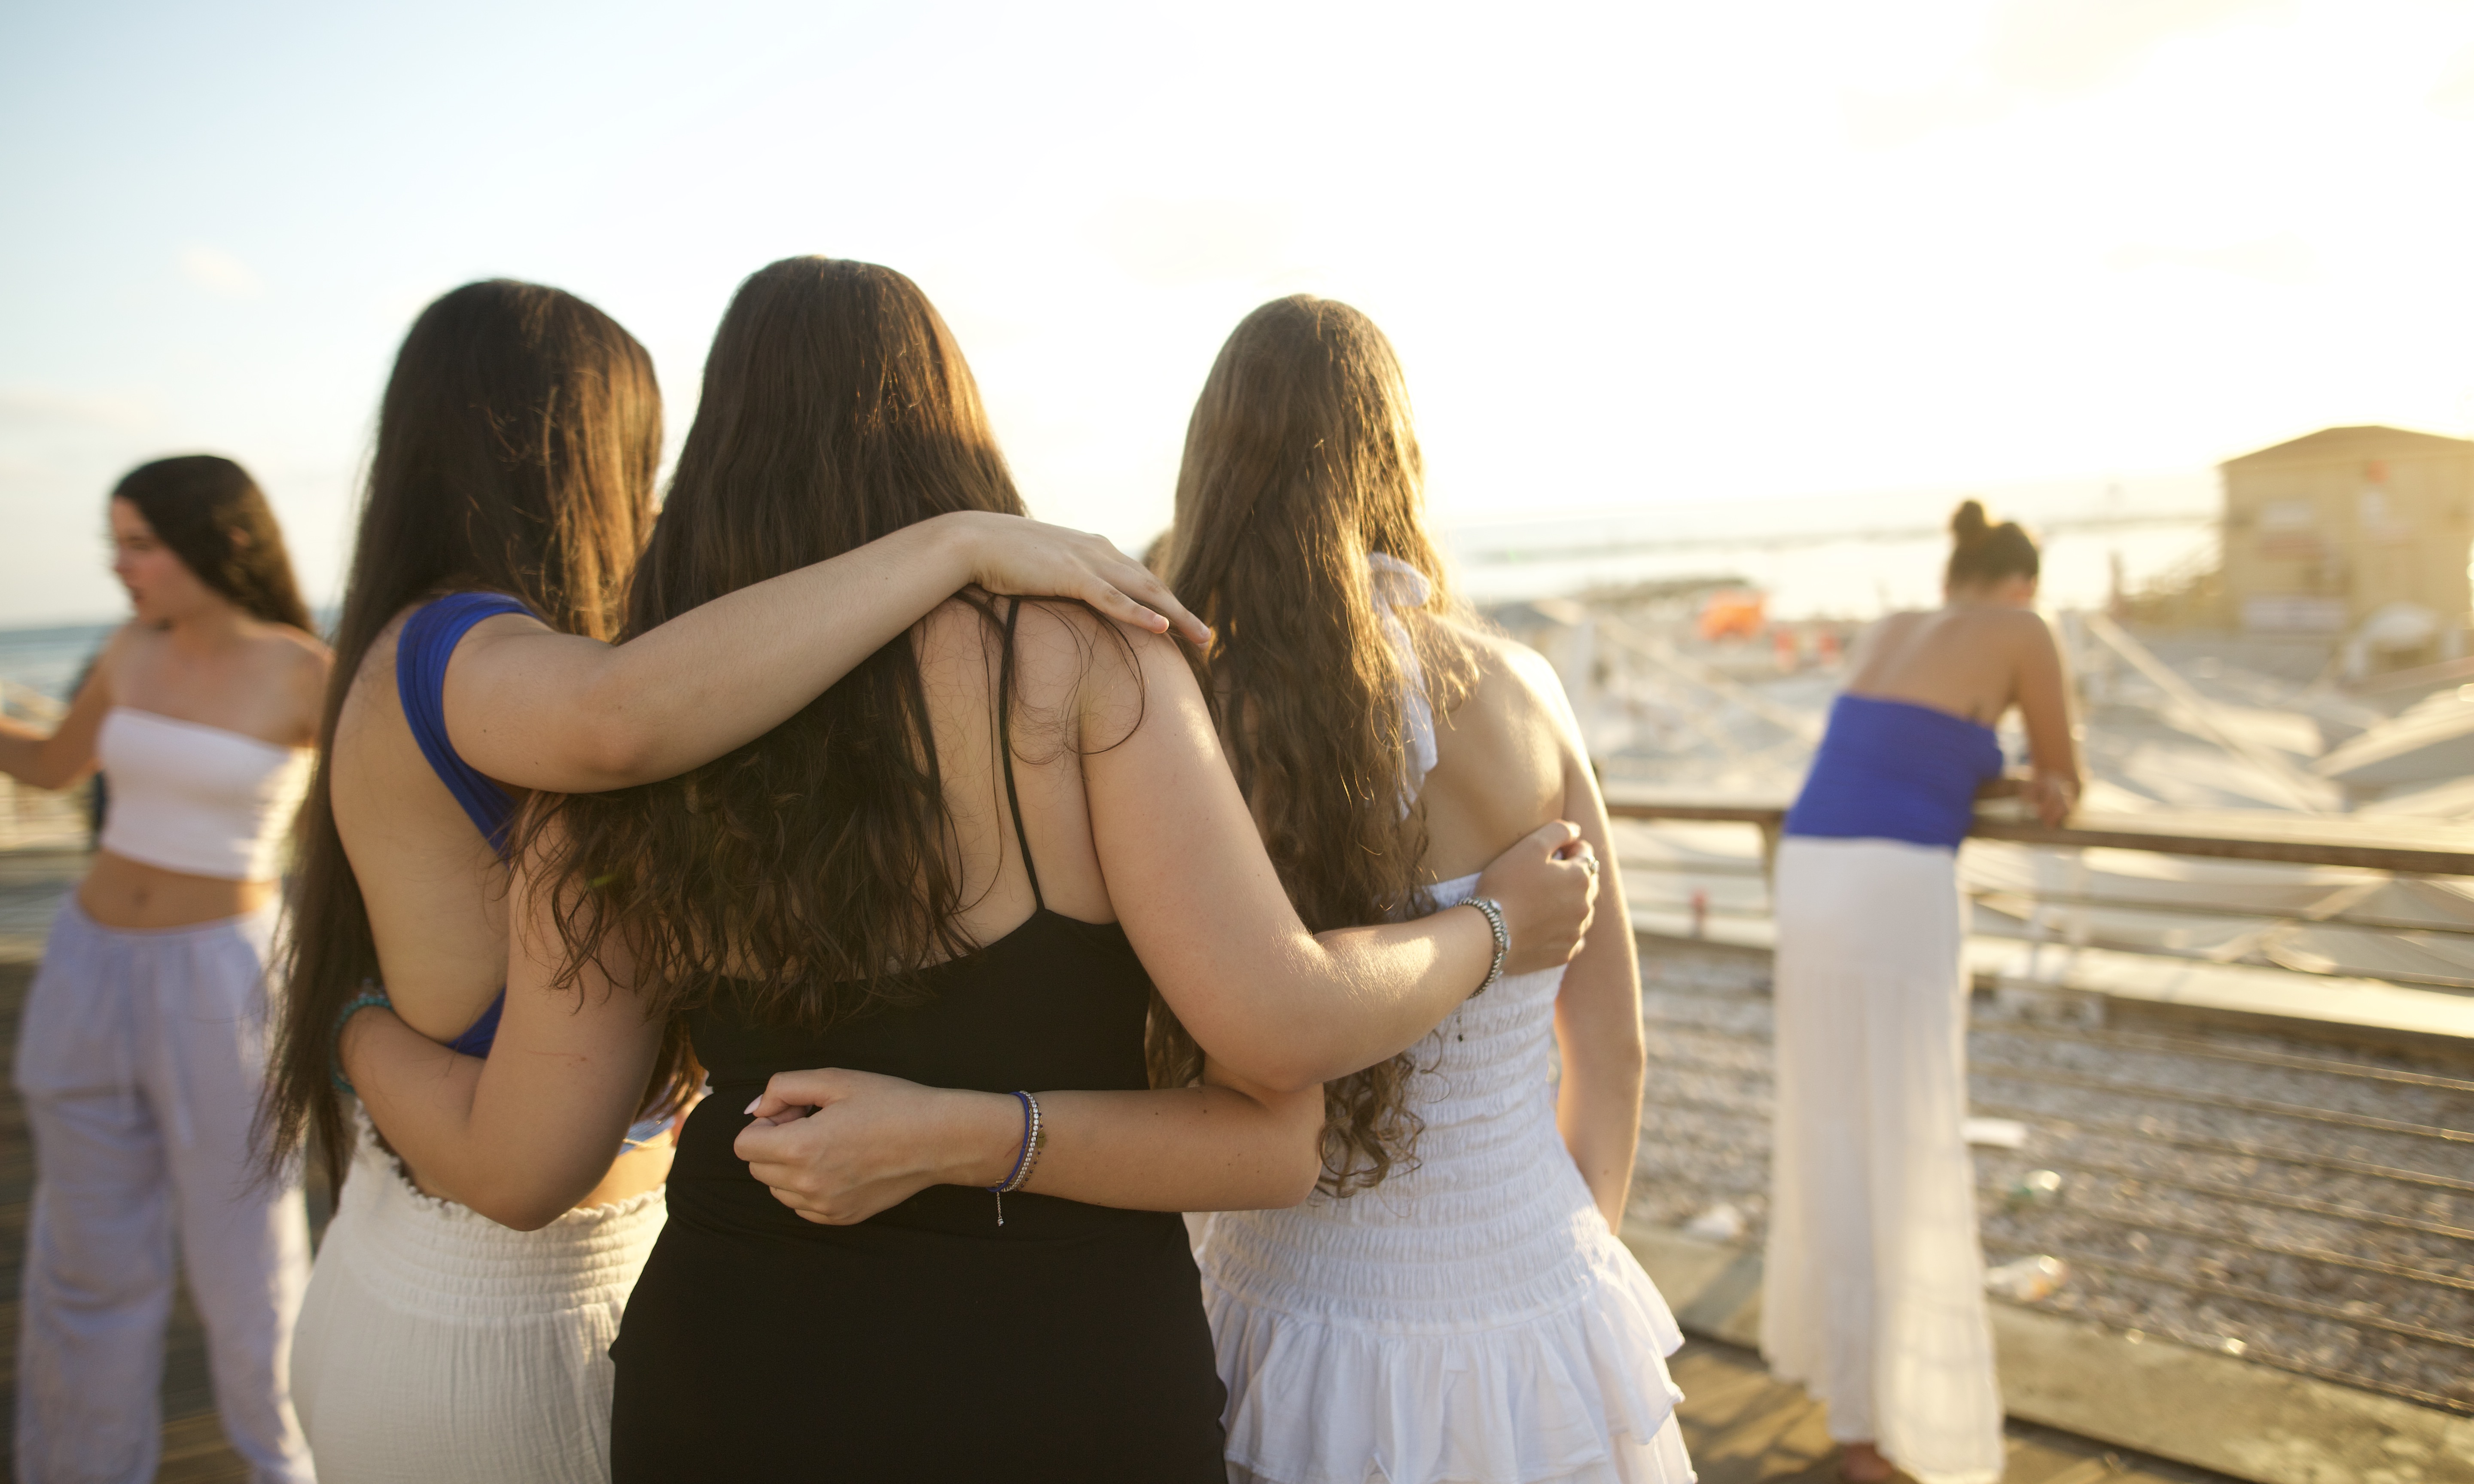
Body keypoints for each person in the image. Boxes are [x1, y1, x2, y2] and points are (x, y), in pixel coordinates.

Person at [333, 256, 1598, 1481]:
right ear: (960, 442)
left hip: (735, 1385)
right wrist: (1493, 925)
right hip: (1062, 1386)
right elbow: (1276, 1053)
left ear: (712, 459)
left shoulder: (646, 728)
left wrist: (351, 1024)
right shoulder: (1086, 659)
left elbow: (525, 1167)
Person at [260, 278, 1211, 1484]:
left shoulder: (465, 663)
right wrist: (954, 539)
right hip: (504, 1318)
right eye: (642, 447)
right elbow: (623, 721)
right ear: (576, 454)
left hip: (463, 1279)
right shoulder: (482, 654)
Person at [1155, 296, 1692, 1484]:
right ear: (1396, 458)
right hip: (1535, 1289)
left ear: (1216, 466)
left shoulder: (1191, 718)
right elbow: (1612, 1042)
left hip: (1284, 1306)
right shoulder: (1526, 687)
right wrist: (1570, 1259)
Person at [0, 455, 326, 1484]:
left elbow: (370, 837)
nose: (121, 567)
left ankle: (289, 1467)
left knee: (250, 1261)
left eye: (140, 544)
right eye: (117, 543)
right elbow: (56, 767)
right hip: (90, 961)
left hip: (220, 981)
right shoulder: (128, 649)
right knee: (83, 1261)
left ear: (213, 542)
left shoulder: (306, 670)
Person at [1761, 500, 2079, 1484]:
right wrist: (2017, 778)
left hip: (1809, 867)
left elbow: (1884, 756)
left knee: (1834, 1128)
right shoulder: (2029, 629)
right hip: (1895, 881)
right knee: (1905, 1139)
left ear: (1956, 576)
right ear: (2024, 582)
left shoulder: (1891, 628)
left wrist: (1969, 769)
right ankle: (1888, 1429)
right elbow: (2065, 784)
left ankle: (1853, 1404)